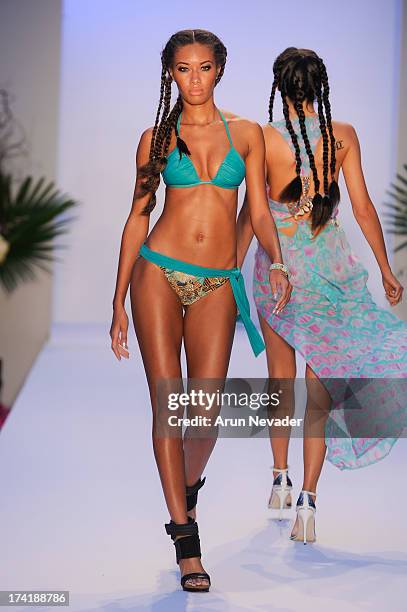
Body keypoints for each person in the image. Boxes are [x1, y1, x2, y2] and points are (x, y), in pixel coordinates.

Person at [110, 30, 291, 591]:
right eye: (183, 69)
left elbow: (258, 211)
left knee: (205, 413)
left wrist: (278, 261)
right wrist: (117, 300)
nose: (194, 78)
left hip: (217, 280)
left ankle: (182, 492)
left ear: (220, 70)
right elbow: (138, 216)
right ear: (170, 73)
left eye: (204, 68)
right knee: (169, 405)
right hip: (157, 272)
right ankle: (186, 538)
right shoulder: (157, 139)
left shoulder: (248, 134)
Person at [237, 47, 407, 544]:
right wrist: (385, 268)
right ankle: (308, 501)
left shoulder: (263, 139)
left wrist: (230, 271)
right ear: (320, 86)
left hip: (280, 269)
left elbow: (256, 214)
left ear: (278, 84)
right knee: (319, 392)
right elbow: (362, 207)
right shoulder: (344, 136)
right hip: (332, 271)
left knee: (279, 380)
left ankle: (279, 477)